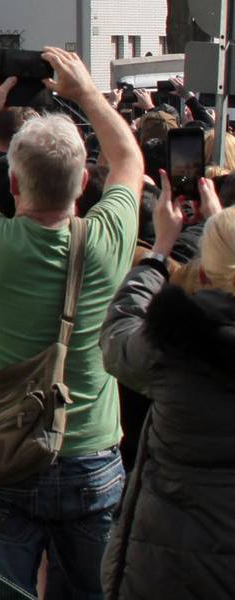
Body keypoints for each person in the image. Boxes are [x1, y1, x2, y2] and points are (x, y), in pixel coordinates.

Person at [0, 48, 143, 597]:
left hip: (3, 450)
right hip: (91, 452)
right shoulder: (105, 242)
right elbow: (129, 162)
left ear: (12, 186)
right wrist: (90, 96)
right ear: (82, 187)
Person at [97, 179, 230, 599]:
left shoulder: (172, 345)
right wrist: (218, 228)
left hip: (168, 570)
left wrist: (157, 256)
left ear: (204, 274)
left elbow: (118, 337)